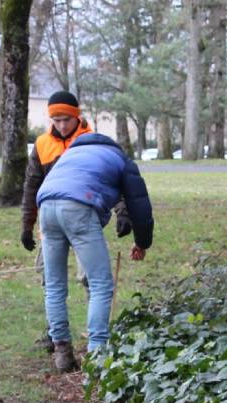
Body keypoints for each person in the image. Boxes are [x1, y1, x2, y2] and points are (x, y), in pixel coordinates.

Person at [22, 131, 154, 372]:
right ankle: (97, 353)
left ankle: (62, 352)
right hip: (79, 207)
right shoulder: (120, 160)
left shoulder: (71, 154)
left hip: (47, 207)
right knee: (100, 284)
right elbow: (140, 204)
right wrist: (142, 242)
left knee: (54, 285)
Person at [21, 90, 121, 352]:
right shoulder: (42, 144)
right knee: (51, 281)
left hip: (83, 217)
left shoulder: (92, 141)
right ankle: (57, 337)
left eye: (66, 119)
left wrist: (123, 211)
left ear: (77, 116)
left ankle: (95, 335)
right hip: (51, 220)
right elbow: (32, 186)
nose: (62, 125)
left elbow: (111, 177)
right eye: (57, 120)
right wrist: (27, 225)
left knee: (91, 278)